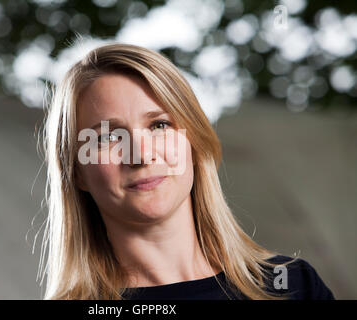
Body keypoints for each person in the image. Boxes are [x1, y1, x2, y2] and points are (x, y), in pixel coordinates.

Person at [38, 41, 335, 300]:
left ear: (194, 143)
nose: (141, 155)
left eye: (159, 125)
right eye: (108, 137)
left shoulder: (294, 286)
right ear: (76, 172)